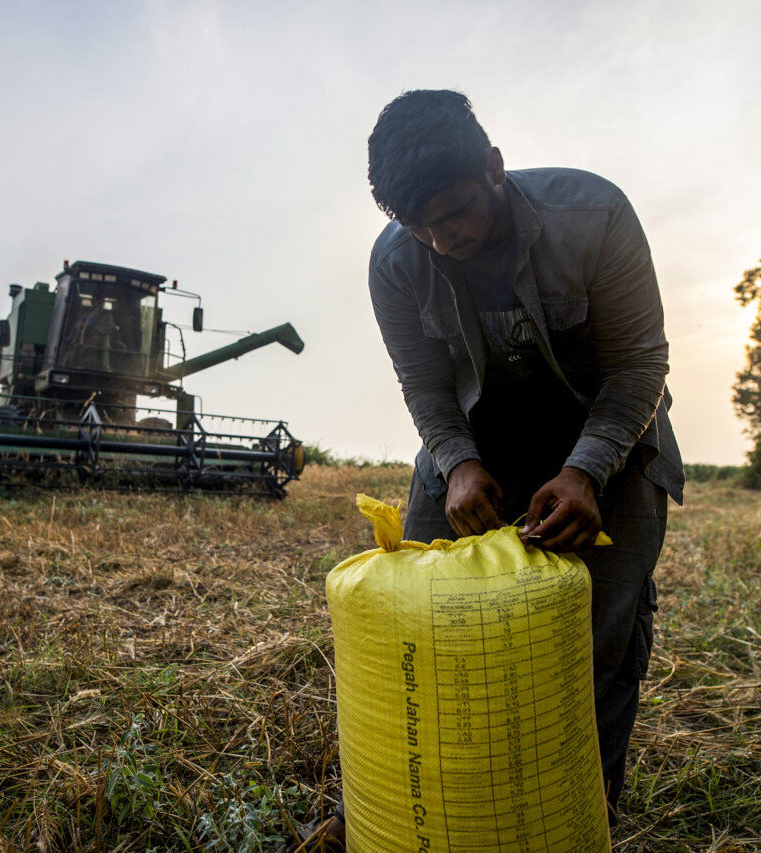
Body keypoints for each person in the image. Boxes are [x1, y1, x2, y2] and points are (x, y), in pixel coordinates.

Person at [285, 89, 684, 852]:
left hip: (614, 445)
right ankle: (388, 815)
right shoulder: (397, 261)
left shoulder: (593, 216)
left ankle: (580, 818)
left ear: (495, 169)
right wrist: (459, 463)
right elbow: (426, 388)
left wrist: (586, 472)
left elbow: (640, 367)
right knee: (417, 617)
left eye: (453, 214)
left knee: (596, 639)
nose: (440, 240)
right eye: (418, 225)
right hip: (476, 447)